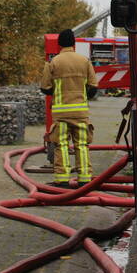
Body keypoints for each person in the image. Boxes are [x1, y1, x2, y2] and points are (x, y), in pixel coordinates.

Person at [39, 29, 98, 187]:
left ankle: (62, 180)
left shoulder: (53, 62)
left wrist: (57, 94)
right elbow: (93, 86)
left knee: (62, 145)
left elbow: (45, 88)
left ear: (59, 44)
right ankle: (84, 179)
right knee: (82, 145)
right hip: (80, 113)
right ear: (74, 43)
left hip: (61, 114)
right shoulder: (84, 61)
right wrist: (82, 97)